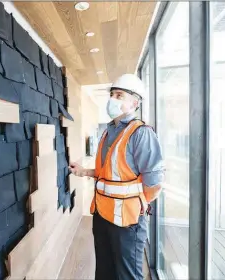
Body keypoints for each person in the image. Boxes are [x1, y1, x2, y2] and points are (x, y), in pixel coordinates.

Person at [69, 74, 165, 280]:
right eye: (112, 94)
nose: (113, 99)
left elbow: (154, 183)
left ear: (134, 103)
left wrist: (137, 204)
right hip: (102, 216)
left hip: (128, 222)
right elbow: (109, 174)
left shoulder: (141, 134)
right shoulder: (108, 132)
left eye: (119, 95)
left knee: (126, 276)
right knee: (104, 271)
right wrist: (83, 171)